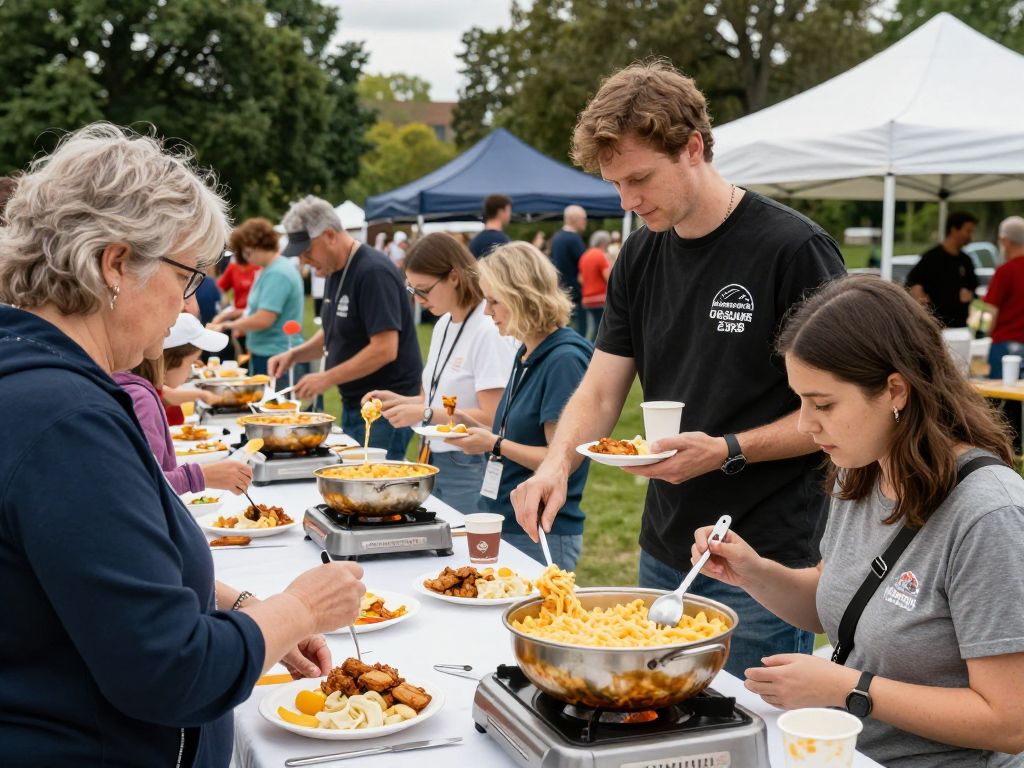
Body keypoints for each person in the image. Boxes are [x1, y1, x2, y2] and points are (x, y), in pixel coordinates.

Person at [0, 123, 365, 767]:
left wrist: (243, 608)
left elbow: (96, 580)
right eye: (188, 273)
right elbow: (172, 673)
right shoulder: (64, 418)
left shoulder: (43, 386)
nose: (192, 299)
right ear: (116, 264)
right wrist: (300, 610)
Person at [511, 61, 846, 677]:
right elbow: (603, 383)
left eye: (639, 179)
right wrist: (557, 464)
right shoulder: (640, 252)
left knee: (746, 734)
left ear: (693, 147)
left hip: (765, 559)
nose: (628, 201)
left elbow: (845, 412)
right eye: (615, 185)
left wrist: (726, 450)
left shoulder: (793, 250)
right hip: (665, 544)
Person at [693, 276, 1024, 767]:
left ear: (895, 390)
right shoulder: (861, 469)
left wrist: (848, 687)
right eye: (800, 401)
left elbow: (1009, 721)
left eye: (823, 404)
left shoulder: (989, 516)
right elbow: (842, 599)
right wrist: (755, 572)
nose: (805, 425)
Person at [450, 242, 593, 570]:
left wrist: (494, 443)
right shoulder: (527, 351)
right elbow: (521, 434)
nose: (487, 312)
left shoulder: (564, 360)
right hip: (509, 519)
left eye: (494, 301)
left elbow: (561, 460)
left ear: (522, 297)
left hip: (540, 529)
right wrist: (480, 429)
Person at [365, 233, 516, 512]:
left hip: (468, 463)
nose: (418, 299)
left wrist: (423, 414)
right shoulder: (444, 323)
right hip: (434, 456)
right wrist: (400, 401)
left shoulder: (486, 330)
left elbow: (494, 418)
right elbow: (437, 398)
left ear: (454, 277)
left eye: (423, 289)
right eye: (412, 290)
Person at [269, 196, 422, 459]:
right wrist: (295, 355)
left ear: (329, 235)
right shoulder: (335, 269)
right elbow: (333, 331)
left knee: (375, 484)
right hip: (357, 403)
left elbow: (385, 349)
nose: (305, 262)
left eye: (307, 252)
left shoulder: (372, 271)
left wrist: (325, 378)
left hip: (386, 407)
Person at [114, 314, 253, 496]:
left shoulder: (132, 389)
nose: (191, 373)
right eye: (191, 364)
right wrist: (202, 476)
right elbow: (145, 483)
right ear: (167, 359)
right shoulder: (142, 399)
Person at [210, 218, 304, 376]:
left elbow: (264, 318)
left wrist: (227, 325)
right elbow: (256, 309)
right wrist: (231, 315)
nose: (247, 259)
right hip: (267, 353)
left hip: (276, 355)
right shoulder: (268, 269)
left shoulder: (277, 274)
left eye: (247, 253)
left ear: (259, 245)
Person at [906, 211, 979, 328]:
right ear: (954, 230)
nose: (970, 237)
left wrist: (970, 296)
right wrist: (920, 300)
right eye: (968, 231)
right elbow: (913, 282)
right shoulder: (932, 258)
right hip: (936, 327)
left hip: (961, 327)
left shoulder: (966, 260)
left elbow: (974, 291)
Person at [983, 216, 1024, 378]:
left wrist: (976, 331)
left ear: (1005, 241)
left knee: (1001, 400)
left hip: (1005, 346)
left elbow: (988, 312)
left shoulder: (1004, 271)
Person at [548, 204, 588, 334]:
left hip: (559, 291)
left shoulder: (557, 238)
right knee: (579, 332)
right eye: (584, 219)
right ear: (575, 219)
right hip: (574, 293)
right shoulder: (574, 239)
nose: (585, 222)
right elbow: (585, 265)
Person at [578, 229, 612, 342]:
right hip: (599, 298)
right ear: (604, 243)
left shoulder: (585, 255)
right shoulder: (600, 255)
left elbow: (580, 278)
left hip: (586, 298)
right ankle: (592, 354)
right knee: (602, 331)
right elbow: (610, 278)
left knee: (593, 328)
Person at [469, 194, 512, 258]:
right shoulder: (502, 241)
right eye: (508, 211)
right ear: (500, 211)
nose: (509, 215)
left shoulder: (475, 241)